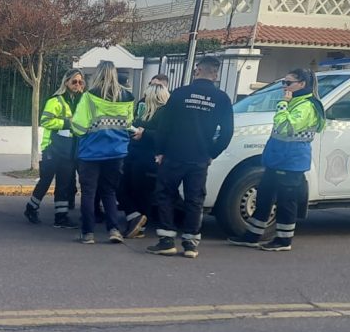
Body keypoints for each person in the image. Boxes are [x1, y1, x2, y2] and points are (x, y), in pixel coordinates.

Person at [228, 68, 325, 252]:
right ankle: (252, 236)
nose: (284, 87)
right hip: (278, 158)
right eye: (283, 83)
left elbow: (284, 127)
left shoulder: (306, 106)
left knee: (286, 201)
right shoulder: (296, 103)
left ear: (302, 84)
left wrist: (282, 104)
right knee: (264, 197)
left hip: (291, 160)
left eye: (288, 83)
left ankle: (283, 240)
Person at [147, 56, 234, 258]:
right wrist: (212, 152)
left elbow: (164, 125)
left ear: (197, 71)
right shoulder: (221, 98)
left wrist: (159, 151)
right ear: (216, 74)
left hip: (174, 154)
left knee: (165, 194)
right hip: (200, 157)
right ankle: (191, 243)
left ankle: (167, 240)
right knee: (195, 199)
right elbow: (227, 131)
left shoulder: (179, 94)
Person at [70, 60, 135, 244]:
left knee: (89, 193)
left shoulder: (89, 97)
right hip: (117, 152)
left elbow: (78, 126)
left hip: (91, 152)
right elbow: (128, 123)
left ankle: (88, 233)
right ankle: (114, 230)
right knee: (109, 192)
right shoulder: (127, 96)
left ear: (97, 75)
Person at [24, 69, 86, 228]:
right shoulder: (56, 100)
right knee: (45, 181)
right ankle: (31, 208)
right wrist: (66, 123)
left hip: (69, 149)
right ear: (66, 82)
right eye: (74, 81)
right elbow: (45, 121)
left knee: (64, 184)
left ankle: (61, 217)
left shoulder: (81, 101)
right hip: (52, 148)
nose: (77, 85)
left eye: (80, 82)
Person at [119, 82, 169, 238]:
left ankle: (138, 223)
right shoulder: (144, 110)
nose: (144, 97)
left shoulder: (163, 113)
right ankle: (136, 219)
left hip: (146, 157)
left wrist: (144, 133)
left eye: (147, 95)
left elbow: (164, 135)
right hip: (135, 154)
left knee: (140, 191)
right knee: (128, 188)